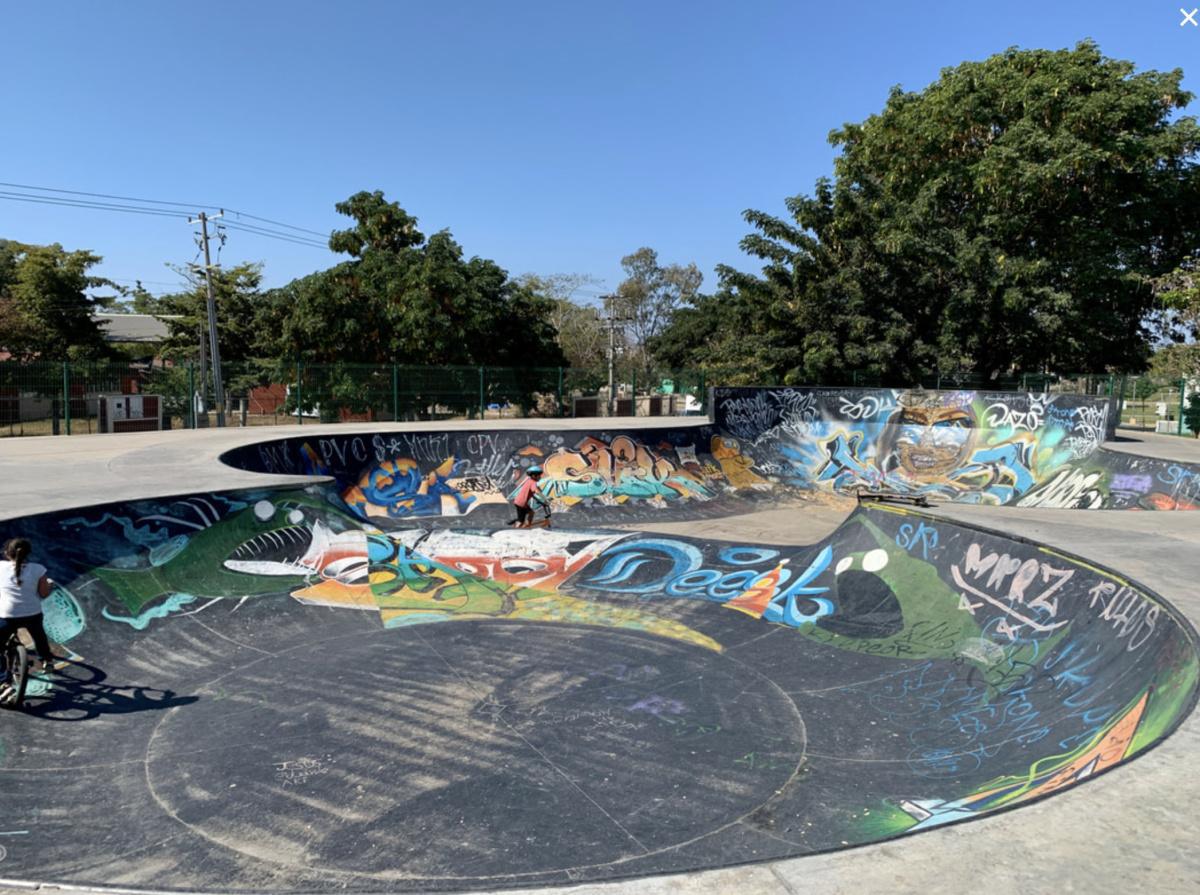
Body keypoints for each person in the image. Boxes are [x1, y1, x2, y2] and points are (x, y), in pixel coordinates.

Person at [0, 538, 57, 677]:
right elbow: (43, 594)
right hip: (32, 614)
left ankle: (2, 679)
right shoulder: (38, 569)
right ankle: (47, 660)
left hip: (8, 616)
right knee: (39, 637)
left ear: (7, 553)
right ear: (28, 553)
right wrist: (49, 585)